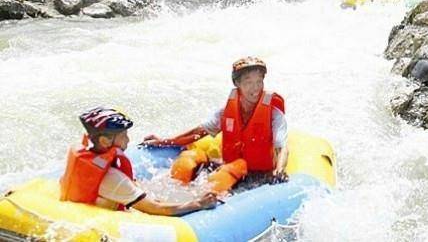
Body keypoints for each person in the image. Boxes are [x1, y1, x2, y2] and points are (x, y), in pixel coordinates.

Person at [143, 57, 289, 192]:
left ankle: (203, 198)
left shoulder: (274, 115)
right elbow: (197, 133)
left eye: (259, 82)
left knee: (230, 170)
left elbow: (282, 148)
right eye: (249, 82)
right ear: (237, 84)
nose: (255, 88)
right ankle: (171, 193)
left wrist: (280, 170)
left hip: (257, 176)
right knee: (188, 160)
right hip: (231, 167)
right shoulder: (225, 112)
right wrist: (164, 141)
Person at [60, 107, 217, 215]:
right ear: (105, 141)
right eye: (123, 135)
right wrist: (199, 203)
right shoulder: (113, 179)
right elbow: (155, 208)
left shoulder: (83, 152)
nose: (128, 140)